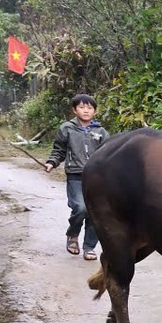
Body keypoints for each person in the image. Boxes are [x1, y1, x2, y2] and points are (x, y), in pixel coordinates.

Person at [44, 94, 109, 261]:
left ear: (95, 111)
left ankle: (89, 247)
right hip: (75, 175)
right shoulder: (67, 128)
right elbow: (59, 149)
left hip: (96, 179)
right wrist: (52, 162)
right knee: (80, 208)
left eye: (89, 108)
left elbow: (108, 154)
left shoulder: (101, 131)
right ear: (74, 110)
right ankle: (73, 234)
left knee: (95, 213)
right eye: (81, 107)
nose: (85, 110)